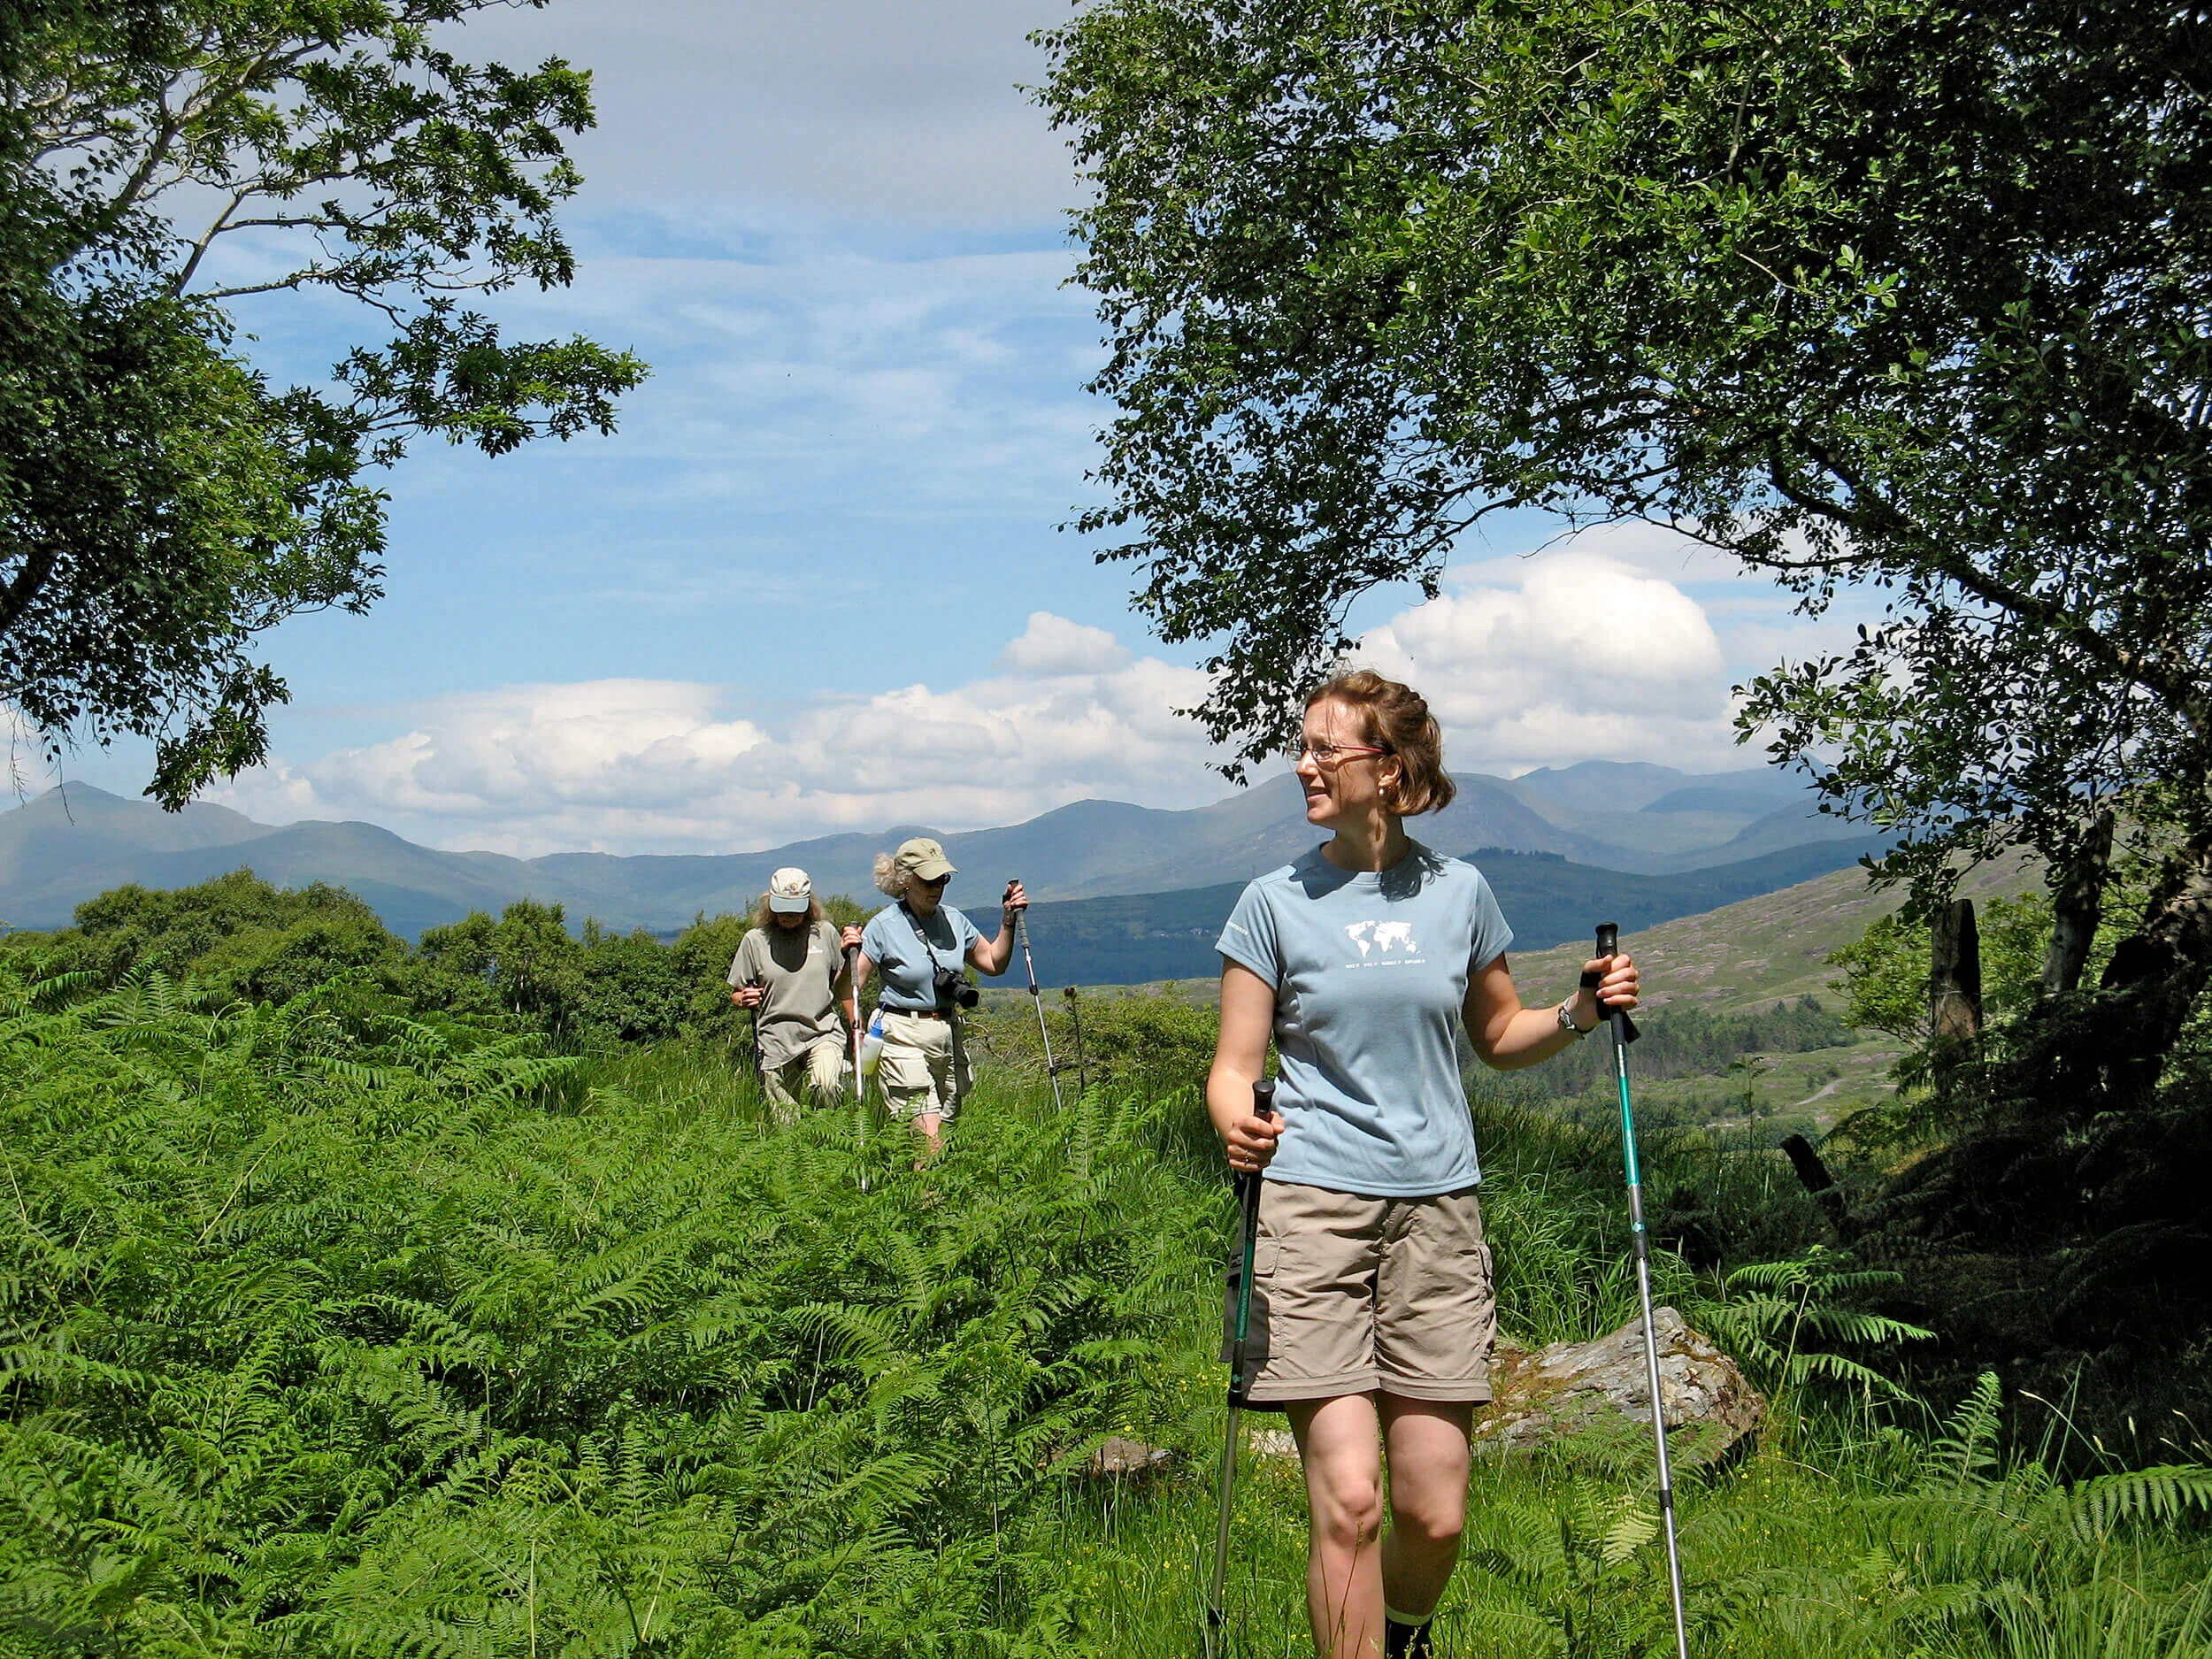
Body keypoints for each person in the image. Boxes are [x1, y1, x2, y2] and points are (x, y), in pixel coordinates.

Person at [1207, 670, 1640, 1659]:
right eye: (1303, 746)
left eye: (1326, 749)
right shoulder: (1271, 903)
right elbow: (1233, 1071)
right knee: (1351, 1503)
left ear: (1388, 770)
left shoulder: (1460, 893)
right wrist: (1239, 1125)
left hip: (1438, 1214)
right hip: (1312, 1208)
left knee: (1433, 1513)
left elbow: (1498, 1034)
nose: (1303, 765)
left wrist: (1578, 1011)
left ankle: (1401, 1637)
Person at [856, 836, 1028, 1156]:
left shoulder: (953, 919)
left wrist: (1008, 920)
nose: (938, 886)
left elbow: (993, 962)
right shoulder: (882, 927)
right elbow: (852, 985)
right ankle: (928, 1204)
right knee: (929, 1138)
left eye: (943, 878)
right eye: (929, 879)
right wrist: (857, 1026)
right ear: (906, 880)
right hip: (901, 1033)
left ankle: (921, 1196)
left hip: (948, 1033)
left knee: (946, 1133)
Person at [728, 866, 864, 1120]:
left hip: (822, 1031)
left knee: (826, 1085)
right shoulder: (754, 940)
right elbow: (737, 992)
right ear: (769, 905)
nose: (789, 915)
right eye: (782, 908)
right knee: (786, 1122)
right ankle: (800, 1155)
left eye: (796, 909)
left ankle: (831, 1143)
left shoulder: (825, 934)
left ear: (809, 905)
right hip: (775, 1038)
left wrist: (857, 1027)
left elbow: (843, 984)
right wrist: (743, 999)